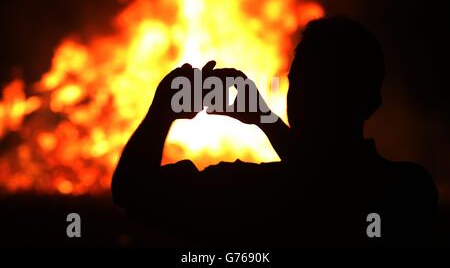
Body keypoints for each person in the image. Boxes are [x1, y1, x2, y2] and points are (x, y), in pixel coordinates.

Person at [111, 17, 438, 247]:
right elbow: (331, 182)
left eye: (303, 83)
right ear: (372, 102)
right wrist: (266, 121)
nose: (299, 93)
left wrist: (162, 112)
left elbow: (133, 191)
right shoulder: (409, 191)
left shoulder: (251, 192)